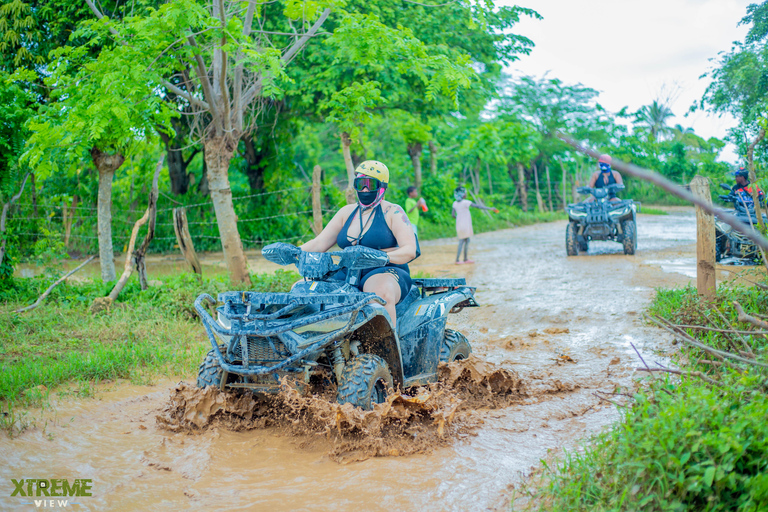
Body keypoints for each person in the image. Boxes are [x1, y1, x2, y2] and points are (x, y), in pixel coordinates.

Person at [299, 161, 417, 328]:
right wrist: (294, 252)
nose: (365, 189)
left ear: (382, 186)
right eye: (360, 184)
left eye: (370, 184)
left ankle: (386, 349)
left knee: (380, 293)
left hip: (385, 269)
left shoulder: (393, 212)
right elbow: (319, 243)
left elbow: (409, 250)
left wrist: (382, 256)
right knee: (302, 289)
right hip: (348, 271)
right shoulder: (346, 212)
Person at [451, 186, 498, 265]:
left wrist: (459, 218)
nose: (466, 194)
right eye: (465, 193)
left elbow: (453, 215)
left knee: (465, 240)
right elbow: (478, 206)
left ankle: (464, 259)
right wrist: (490, 208)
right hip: (465, 225)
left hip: (459, 225)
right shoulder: (466, 202)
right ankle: (458, 260)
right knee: (463, 241)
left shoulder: (455, 203)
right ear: (462, 195)